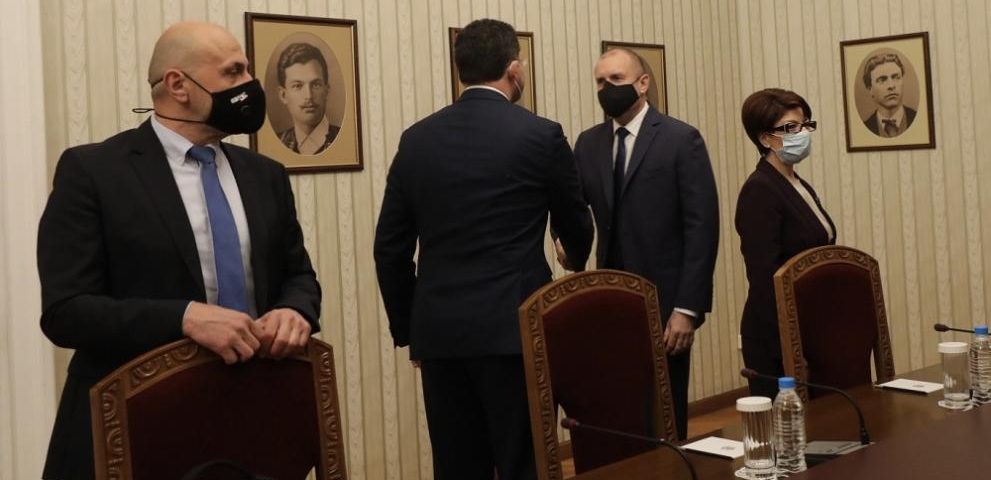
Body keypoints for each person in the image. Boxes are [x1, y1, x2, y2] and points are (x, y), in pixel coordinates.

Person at [37, 22, 322, 480]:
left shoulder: (264, 174)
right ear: (177, 85)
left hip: (252, 420)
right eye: (233, 72)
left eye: (247, 70)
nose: (249, 84)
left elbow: (299, 275)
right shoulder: (93, 172)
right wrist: (184, 318)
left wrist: (295, 310)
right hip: (135, 427)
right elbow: (66, 311)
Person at [374, 18, 593, 480]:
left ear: (461, 70)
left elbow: (389, 248)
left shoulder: (417, 139)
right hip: (516, 331)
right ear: (514, 70)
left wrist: (411, 328)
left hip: (440, 334)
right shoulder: (541, 134)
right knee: (523, 461)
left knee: (457, 464)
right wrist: (573, 255)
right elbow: (575, 220)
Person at [565, 47, 719, 440]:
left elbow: (701, 228)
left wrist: (688, 309)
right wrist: (565, 243)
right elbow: (573, 208)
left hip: (666, 304)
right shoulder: (588, 143)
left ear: (643, 83)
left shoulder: (680, 139)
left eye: (616, 79)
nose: (607, 89)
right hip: (608, 300)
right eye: (600, 82)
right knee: (618, 408)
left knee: (664, 414)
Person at [736, 88, 836, 398]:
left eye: (805, 125)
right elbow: (764, 276)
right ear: (765, 138)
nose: (802, 133)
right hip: (775, 334)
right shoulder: (759, 189)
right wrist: (788, 346)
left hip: (813, 322)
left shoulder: (796, 183)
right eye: (791, 128)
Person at [276, 42, 340, 154]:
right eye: (297, 86)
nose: (309, 96)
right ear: (283, 95)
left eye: (316, 85)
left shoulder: (344, 140)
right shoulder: (278, 143)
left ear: (327, 90)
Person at [862, 53, 917, 137]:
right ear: (870, 89)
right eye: (882, 80)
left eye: (896, 77)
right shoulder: (865, 128)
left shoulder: (919, 119)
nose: (891, 86)